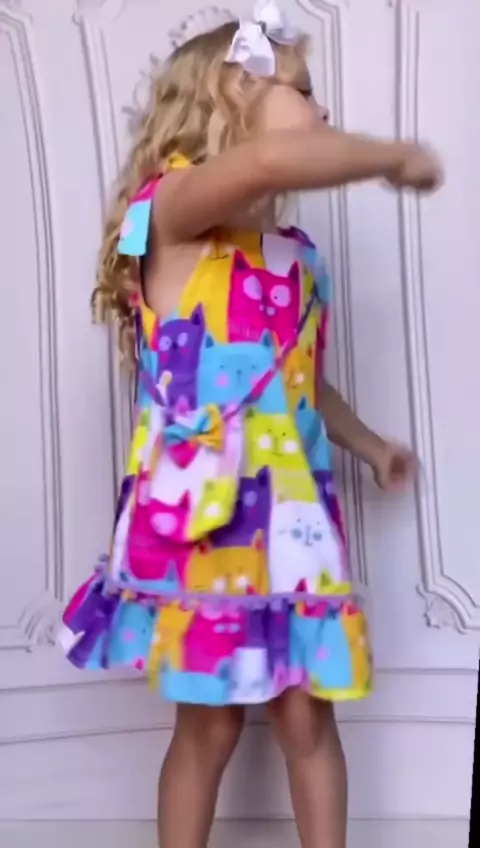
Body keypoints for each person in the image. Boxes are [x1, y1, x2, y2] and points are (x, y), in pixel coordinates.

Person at [59, 3, 442, 846]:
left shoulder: (297, 257)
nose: (322, 108)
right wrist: (392, 155)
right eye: (302, 91)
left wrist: (370, 445)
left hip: (293, 525)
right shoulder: (174, 216)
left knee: (310, 721)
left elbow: (297, 381)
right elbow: (271, 158)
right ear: (231, 101)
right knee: (210, 728)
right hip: (206, 520)